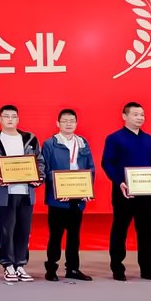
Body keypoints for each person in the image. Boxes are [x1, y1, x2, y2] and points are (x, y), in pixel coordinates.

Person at [0, 104, 44, 283]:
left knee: (24, 230)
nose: (10, 119)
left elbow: (39, 161)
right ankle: (7, 265)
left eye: (13, 116)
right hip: (4, 194)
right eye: (6, 116)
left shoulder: (30, 140)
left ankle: (20, 264)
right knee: (5, 231)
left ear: (18, 119)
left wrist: (39, 177)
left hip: (26, 192)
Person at [101, 101, 151, 282]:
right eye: (135, 114)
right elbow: (107, 162)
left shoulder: (149, 139)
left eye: (142, 115)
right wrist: (119, 182)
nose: (140, 118)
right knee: (120, 229)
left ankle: (147, 269)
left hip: (148, 193)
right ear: (124, 116)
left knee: (146, 232)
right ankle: (117, 268)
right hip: (124, 192)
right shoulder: (115, 138)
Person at [39, 109, 93, 282]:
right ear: (58, 123)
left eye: (72, 121)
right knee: (55, 236)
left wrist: (87, 190)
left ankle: (73, 269)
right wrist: (58, 188)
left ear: (76, 123)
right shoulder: (50, 144)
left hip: (78, 196)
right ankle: (51, 269)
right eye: (65, 121)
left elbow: (90, 168)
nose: (69, 124)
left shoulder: (82, 142)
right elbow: (45, 169)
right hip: (58, 198)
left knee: (74, 237)